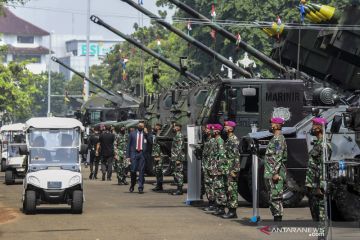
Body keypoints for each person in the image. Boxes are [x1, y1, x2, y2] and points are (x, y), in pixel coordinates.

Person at [305, 117, 330, 239]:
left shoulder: (324, 144)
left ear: (320, 127)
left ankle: (322, 237)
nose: (312, 127)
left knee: (321, 212)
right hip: (312, 183)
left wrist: (321, 185)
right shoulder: (318, 143)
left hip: (318, 184)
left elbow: (323, 167)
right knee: (315, 212)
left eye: (314, 124)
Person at [264, 117, 287, 221]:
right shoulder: (275, 138)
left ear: (278, 125)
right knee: (272, 197)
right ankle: (276, 219)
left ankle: (278, 222)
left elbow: (278, 156)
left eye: (272, 123)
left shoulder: (278, 139)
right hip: (270, 172)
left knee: (276, 197)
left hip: (275, 173)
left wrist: (275, 173)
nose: (271, 125)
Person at [221, 121, 241, 219]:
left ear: (231, 128)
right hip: (228, 168)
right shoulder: (229, 139)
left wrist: (235, 170)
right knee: (228, 190)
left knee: (232, 190)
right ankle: (230, 210)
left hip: (232, 169)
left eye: (226, 126)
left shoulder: (234, 140)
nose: (224, 128)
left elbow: (236, 156)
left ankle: (233, 211)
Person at [126, 121, 150, 194]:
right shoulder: (132, 134)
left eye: (142, 126)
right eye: (139, 126)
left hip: (142, 154)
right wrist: (128, 156)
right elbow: (128, 145)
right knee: (133, 171)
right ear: (137, 126)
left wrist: (147, 134)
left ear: (144, 127)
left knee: (141, 171)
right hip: (134, 153)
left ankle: (140, 187)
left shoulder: (145, 134)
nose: (141, 127)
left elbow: (151, 142)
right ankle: (132, 184)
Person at [211, 124, 227, 216]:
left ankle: (221, 208)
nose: (212, 131)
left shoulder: (220, 141)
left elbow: (221, 156)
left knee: (220, 188)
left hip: (218, 169)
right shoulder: (215, 141)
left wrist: (220, 169)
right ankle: (218, 206)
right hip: (215, 168)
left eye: (213, 130)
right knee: (216, 188)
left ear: (217, 131)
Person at [203, 124, 217, 212]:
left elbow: (213, 156)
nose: (205, 130)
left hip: (211, 166)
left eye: (207, 129)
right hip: (207, 165)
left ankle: (213, 203)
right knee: (208, 185)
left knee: (211, 185)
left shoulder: (212, 141)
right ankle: (210, 202)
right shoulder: (208, 140)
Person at [170, 122, 185, 195]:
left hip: (178, 158)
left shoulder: (179, 136)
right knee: (175, 173)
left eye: (175, 126)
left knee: (179, 173)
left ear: (179, 128)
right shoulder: (176, 135)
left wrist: (178, 159)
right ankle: (178, 188)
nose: (174, 128)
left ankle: (180, 189)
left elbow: (180, 148)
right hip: (175, 157)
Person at [152, 123, 164, 191]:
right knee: (157, 170)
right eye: (155, 126)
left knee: (159, 170)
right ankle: (158, 185)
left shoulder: (160, 135)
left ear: (159, 127)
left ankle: (160, 185)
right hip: (155, 155)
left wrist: (158, 155)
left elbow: (160, 146)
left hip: (159, 155)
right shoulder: (155, 134)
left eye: (157, 126)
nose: (155, 127)